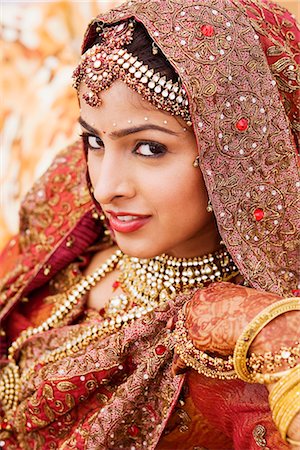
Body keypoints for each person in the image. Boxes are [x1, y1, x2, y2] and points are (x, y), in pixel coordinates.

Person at [0, 0, 299, 448]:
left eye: (150, 149)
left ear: (242, 155)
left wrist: (271, 329)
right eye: (95, 141)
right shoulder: (71, 221)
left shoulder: (238, 364)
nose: (104, 187)